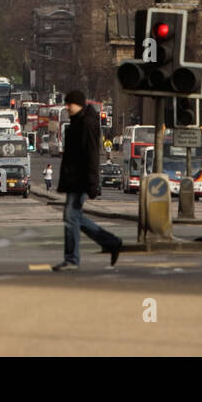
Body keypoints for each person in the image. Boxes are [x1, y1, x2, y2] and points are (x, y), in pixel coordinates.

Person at [52, 90, 122, 271]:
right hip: (74, 179)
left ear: (78, 104)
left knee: (71, 217)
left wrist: (92, 183)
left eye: (69, 104)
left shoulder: (87, 123)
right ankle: (111, 242)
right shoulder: (78, 121)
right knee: (73, 217)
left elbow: (91, 155)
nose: (67, 107)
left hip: (80, 179)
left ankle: (73, 258)